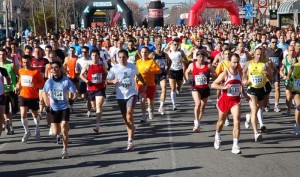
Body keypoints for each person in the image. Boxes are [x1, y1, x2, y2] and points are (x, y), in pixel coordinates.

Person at [107, 49, 147, 150]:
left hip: (131, 94)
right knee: (126, 119)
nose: (121, 59)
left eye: (123, 57)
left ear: (127, 57)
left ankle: (130, 141)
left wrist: (144, 83)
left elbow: (138, 75)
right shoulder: (114, 68)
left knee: (129, 114)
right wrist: (112, 81)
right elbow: (106, 80)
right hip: (120, 96)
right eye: (119, 57)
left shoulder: (132, 66)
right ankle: (132, 128)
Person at [212, 53, 247, 154]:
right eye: (234, 62)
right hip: (224, 100)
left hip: (235, 100)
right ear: (230, 62)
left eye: (237, 62)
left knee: (237, 121)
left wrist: (245, 94)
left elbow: (241, 85)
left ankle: (235, 145)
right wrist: (223, 87)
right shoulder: (225, 73)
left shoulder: (240, 74)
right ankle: (217, 135)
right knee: (221, 122)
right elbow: (213, 85)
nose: (236, 64)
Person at [43, 61, 78, 159]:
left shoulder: (66, 81)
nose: (54, 70)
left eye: (56, 67)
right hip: (54, 109)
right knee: (55, 132)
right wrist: (47, 104)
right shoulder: (49, 81)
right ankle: (60, 133)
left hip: (64, 108)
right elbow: (44, 93)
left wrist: (72, 100)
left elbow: (75, 93)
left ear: (60, 68)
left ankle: (64, 150)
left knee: (64, 128)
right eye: (52, 68)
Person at [242, 48, 273, 142]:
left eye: (261, 54)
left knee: (259, 107)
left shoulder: (265, 64)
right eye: (257, 54)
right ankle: (256, 133)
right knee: (255, 109)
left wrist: (267, 75)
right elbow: (243, 72)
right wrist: (244, 81)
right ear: (254, 54)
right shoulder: (249, 63)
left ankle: (249, 116)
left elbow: (271, 77)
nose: (259, 56)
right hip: (251, 89)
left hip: (261, 89)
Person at [15, 55, 45, 142]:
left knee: (35, 114)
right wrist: (17, 86)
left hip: (33, 96)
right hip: (23, 95)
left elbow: (42, 83)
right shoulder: (21, 70)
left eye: (27, 62)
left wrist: (35, 85)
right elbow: (20, 81)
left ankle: (37, 129)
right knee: (23, 114)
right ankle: (27, 131)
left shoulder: (35, 71)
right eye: (24, 62)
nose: (25, 64)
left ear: (31, 62)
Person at [185, 50, 216, 132]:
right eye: (199, 57)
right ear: (196, 57)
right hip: (195, 87)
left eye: (203, 57)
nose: (201, 58)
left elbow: (214, 74)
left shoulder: (208, 65)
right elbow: (186, 72)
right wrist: (188, 79)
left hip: (205, 88)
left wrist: (213, 76)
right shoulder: (192, 65)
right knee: (198, 103)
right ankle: (196, 122)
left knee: (202, 108)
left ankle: (198, 122)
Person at [80, 49, 107, 133]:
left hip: (100, 88)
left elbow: (106, 73)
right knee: (94, 107)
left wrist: (105, 80)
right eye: (93, 55)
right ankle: (98, 114)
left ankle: (97, 125)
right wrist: (87, 81)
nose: (94, 57)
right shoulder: (87, 65)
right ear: (90, 56)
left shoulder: (102, 64)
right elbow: (81, 75)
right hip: (91, 88)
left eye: (96, 55)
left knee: (99, 105)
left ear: (98, 56)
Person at [135, 47, 161, 122]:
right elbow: (136, 73)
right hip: (141, 83)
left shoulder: (151, 61)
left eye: (146, 52)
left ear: (148, 53)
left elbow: (159, 71)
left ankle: (150, 110)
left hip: (150, 84)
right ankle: (143, 115)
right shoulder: (138, 62)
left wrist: (151, 71)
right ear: (140, 53)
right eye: (142, 52)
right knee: (142, 99)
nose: (144, 54)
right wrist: (135, 81)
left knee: (150, 101)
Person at [0, 49, 18, 135]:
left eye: (3, 54)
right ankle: (9, 126)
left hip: (12, 90)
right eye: (0, 54)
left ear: (6, 55)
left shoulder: (11, 64)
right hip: (3, 92)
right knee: (5, 111)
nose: (1, 56)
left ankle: (8, 122)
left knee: (14, 109)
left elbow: (18, 75)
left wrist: (17, 85)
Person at [167, 39, 188, 110]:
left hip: (179, 70)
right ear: (171, 45)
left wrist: (182, 61)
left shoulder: (180, 52)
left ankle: (178, 89)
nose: (176, 46)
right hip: (171, 71)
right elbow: (162, 53)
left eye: (177, 45)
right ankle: (174, 104)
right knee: (173, 88)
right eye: (174, 44)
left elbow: (186, 60)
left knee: (178, 87)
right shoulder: (169, 51)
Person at [152, 42, 171, 115]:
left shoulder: (164, 54)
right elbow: (146, 62)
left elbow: (170, 61)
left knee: (164, 89)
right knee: (152, 91)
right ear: (155, 46)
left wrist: (167, 69)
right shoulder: (152, 54)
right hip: (154, 75)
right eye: (158, 45)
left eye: (160, 44)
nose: (159, 46)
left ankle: (161, 107)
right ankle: (151, 106)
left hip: (162, 74)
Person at [266, 36, 283, 112]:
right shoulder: (266, 50)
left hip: (276, 72)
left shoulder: (280, 51)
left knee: (277, 88)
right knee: (268, 89)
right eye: (273, 42)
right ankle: (267, 103)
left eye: (276, 42)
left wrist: (281, 70)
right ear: (270, 42)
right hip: (268, 72)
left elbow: (281, 61)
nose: (274, 43)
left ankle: (276, 105)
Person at [280, 45, 296, 116]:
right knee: (288, 96)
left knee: (294, 96)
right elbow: (281, 70)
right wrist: (283, 75)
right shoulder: (285, 60)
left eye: (293, 50)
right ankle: (288, 110)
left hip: (296, 80)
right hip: (288, 80)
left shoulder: (296, 59)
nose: (292, 52)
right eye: (290, 50)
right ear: (288, 51)